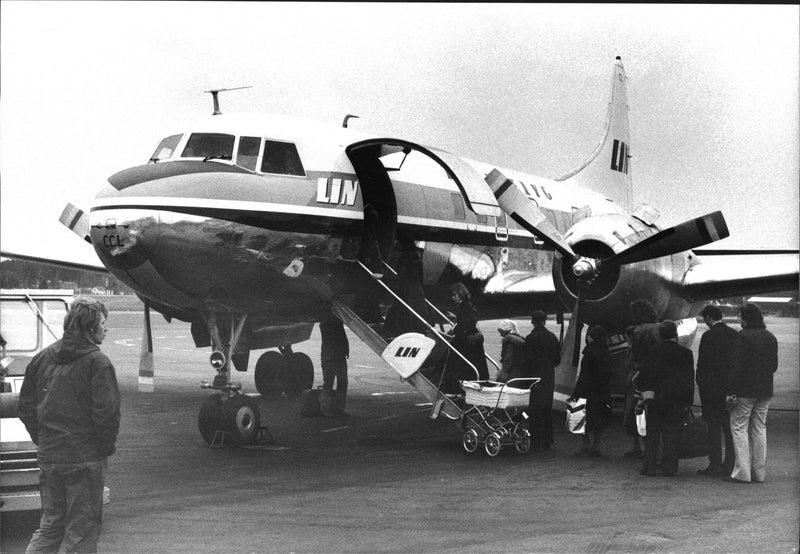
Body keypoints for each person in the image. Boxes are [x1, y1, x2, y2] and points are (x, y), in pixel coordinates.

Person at [18, 298, 121, 553]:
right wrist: (102, 449)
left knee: (51, 526)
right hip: (84, 459)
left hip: (50, 456)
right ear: (89, 328)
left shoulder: (42, 358)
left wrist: (44, 440)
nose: (106, 328)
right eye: (103, 323)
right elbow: (107, 415)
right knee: (81, 532)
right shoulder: (98, 363)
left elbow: (25, 407)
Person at [723, 303, 778, 484]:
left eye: (740, 316)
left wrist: (730, 391)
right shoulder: (770, 337)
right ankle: (759, 473)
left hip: (744, 392)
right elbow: (773, 366)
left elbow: (736, 368)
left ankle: (742, 473)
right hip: (765, 390)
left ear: (745, 319)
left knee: (739, 429)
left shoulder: (742, 337)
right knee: (759, 429)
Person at [637, 320, 695, 477]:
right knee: (672, 435)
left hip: (656, 399)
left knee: (653, 433)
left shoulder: (653, 351)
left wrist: (643, 392)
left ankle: (649, 466)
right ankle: (670, 467)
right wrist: (687, 401)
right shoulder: (686, 353)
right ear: (675, 334)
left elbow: (643, 374)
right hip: (676, 400)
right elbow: (689, 379)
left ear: (660, 335)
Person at [695, 304, 739, 476]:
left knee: (712, 429)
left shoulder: (708, 336)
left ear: (708, 318)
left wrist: (700, 382)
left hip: (710, 391)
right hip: (728, 389)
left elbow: (702, 363)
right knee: (729, 429)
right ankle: (729, 465)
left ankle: (714, 465)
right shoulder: (734, 335)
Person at [623, 299, 662, 459]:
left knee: (637, 412)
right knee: (653, 414)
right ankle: (652, 449)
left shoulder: (639, 332)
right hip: (658, 377)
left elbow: (635, 357)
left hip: (639, 377)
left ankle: (641, 448)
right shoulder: (659, 328)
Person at [571, 325, 612, 457]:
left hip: (587, 390)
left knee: (580, 417)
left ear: (590, 337)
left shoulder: (589, 352)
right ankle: (596, 446)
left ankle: (586, 444)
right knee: (599, 419)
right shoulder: (606, 351)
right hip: (601, 390)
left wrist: (576, 393)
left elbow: (584, 374)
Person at [523, 310, 561, 450]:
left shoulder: (531, 338)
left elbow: (526, 361)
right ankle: (547, 440)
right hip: (548, 377)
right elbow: (557, 360)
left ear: (532, 321)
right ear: (545, 321)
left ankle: (536, 440)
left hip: (534, 378)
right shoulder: (552, 337)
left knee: (535, 410)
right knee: (546, 409)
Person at [442, 283, 489, 392]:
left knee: (456, 364)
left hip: (465, 341)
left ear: (460, 294)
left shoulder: (464, 307)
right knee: (471, 366)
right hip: (471, 339)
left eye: (455, 295)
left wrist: (455, 330)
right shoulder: (467, 305)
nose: (453, 298)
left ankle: (455, 389)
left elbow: (465, 324)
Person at [383, 234, 431, 337]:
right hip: (416, 289)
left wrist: (383, 277)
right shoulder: (417, 255)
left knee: (402, 311)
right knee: (414, 313)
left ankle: (397, 331)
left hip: (407, 289)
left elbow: (401, 275)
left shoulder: (406, 256)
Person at [319, 315, 350, 417]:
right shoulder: (329, 323)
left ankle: (330, 408)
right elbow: (341, 336)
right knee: (333, 382)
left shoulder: (328, 323)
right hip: (333, 356)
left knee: (334, 382)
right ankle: (330, 408)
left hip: (332, 355)